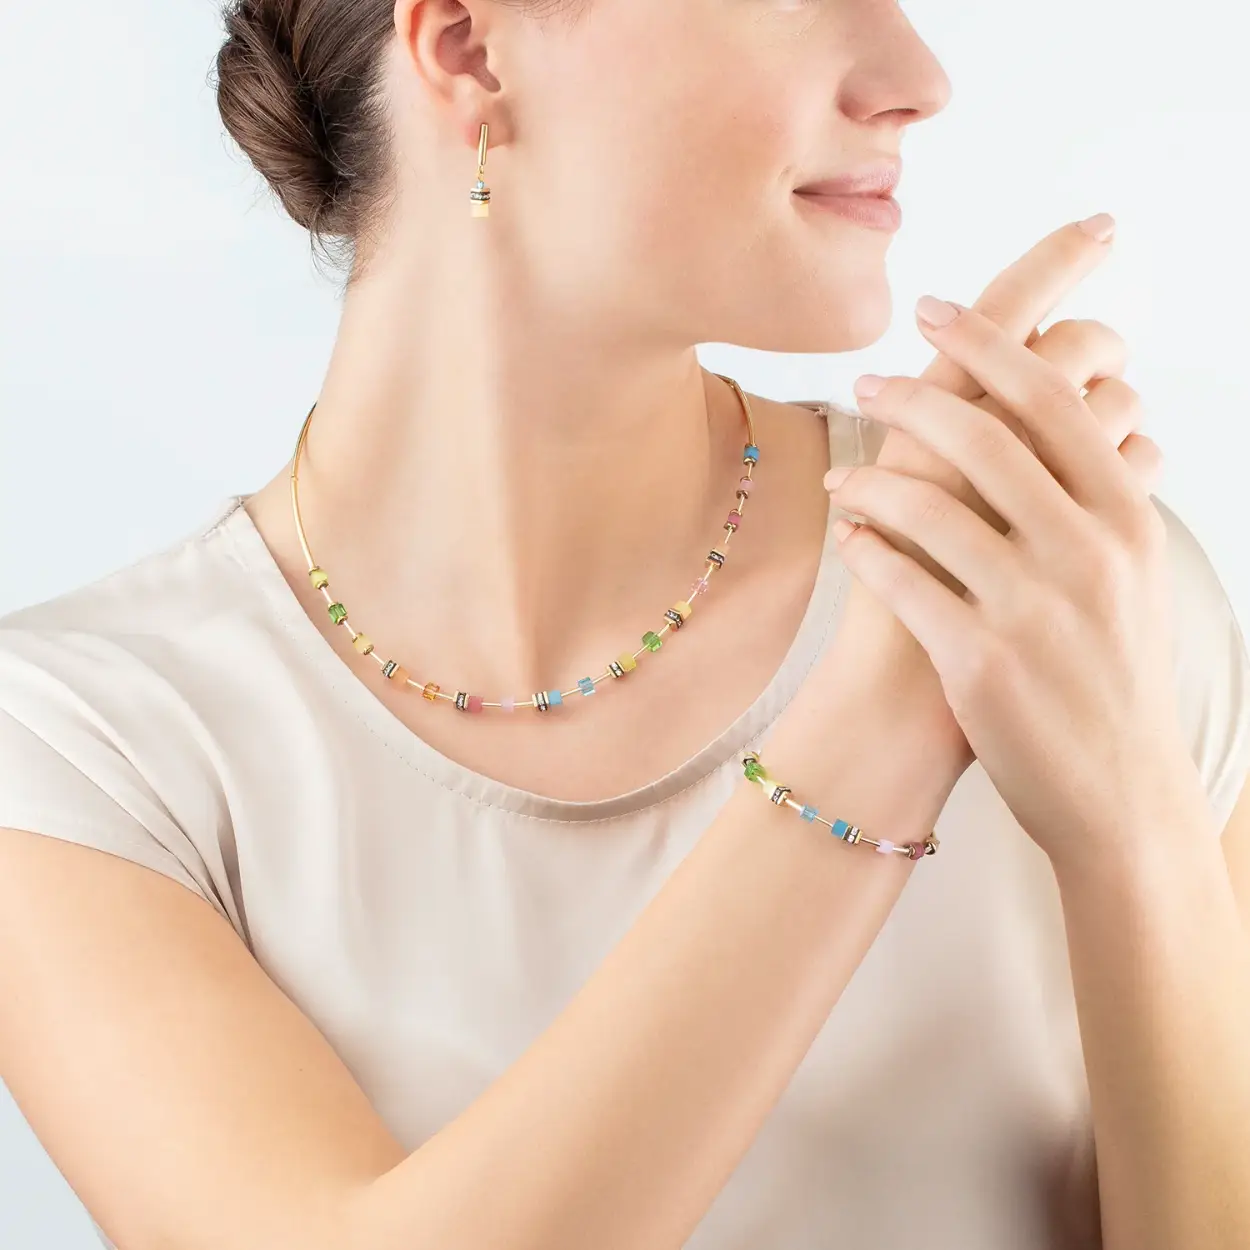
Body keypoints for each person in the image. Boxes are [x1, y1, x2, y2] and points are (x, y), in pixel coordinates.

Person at [2, 1, 1249, 1248]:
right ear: (469, 47)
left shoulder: (1061, 595)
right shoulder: (84, 749)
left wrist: (1134, 828)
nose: (915, 77)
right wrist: (881, 720)